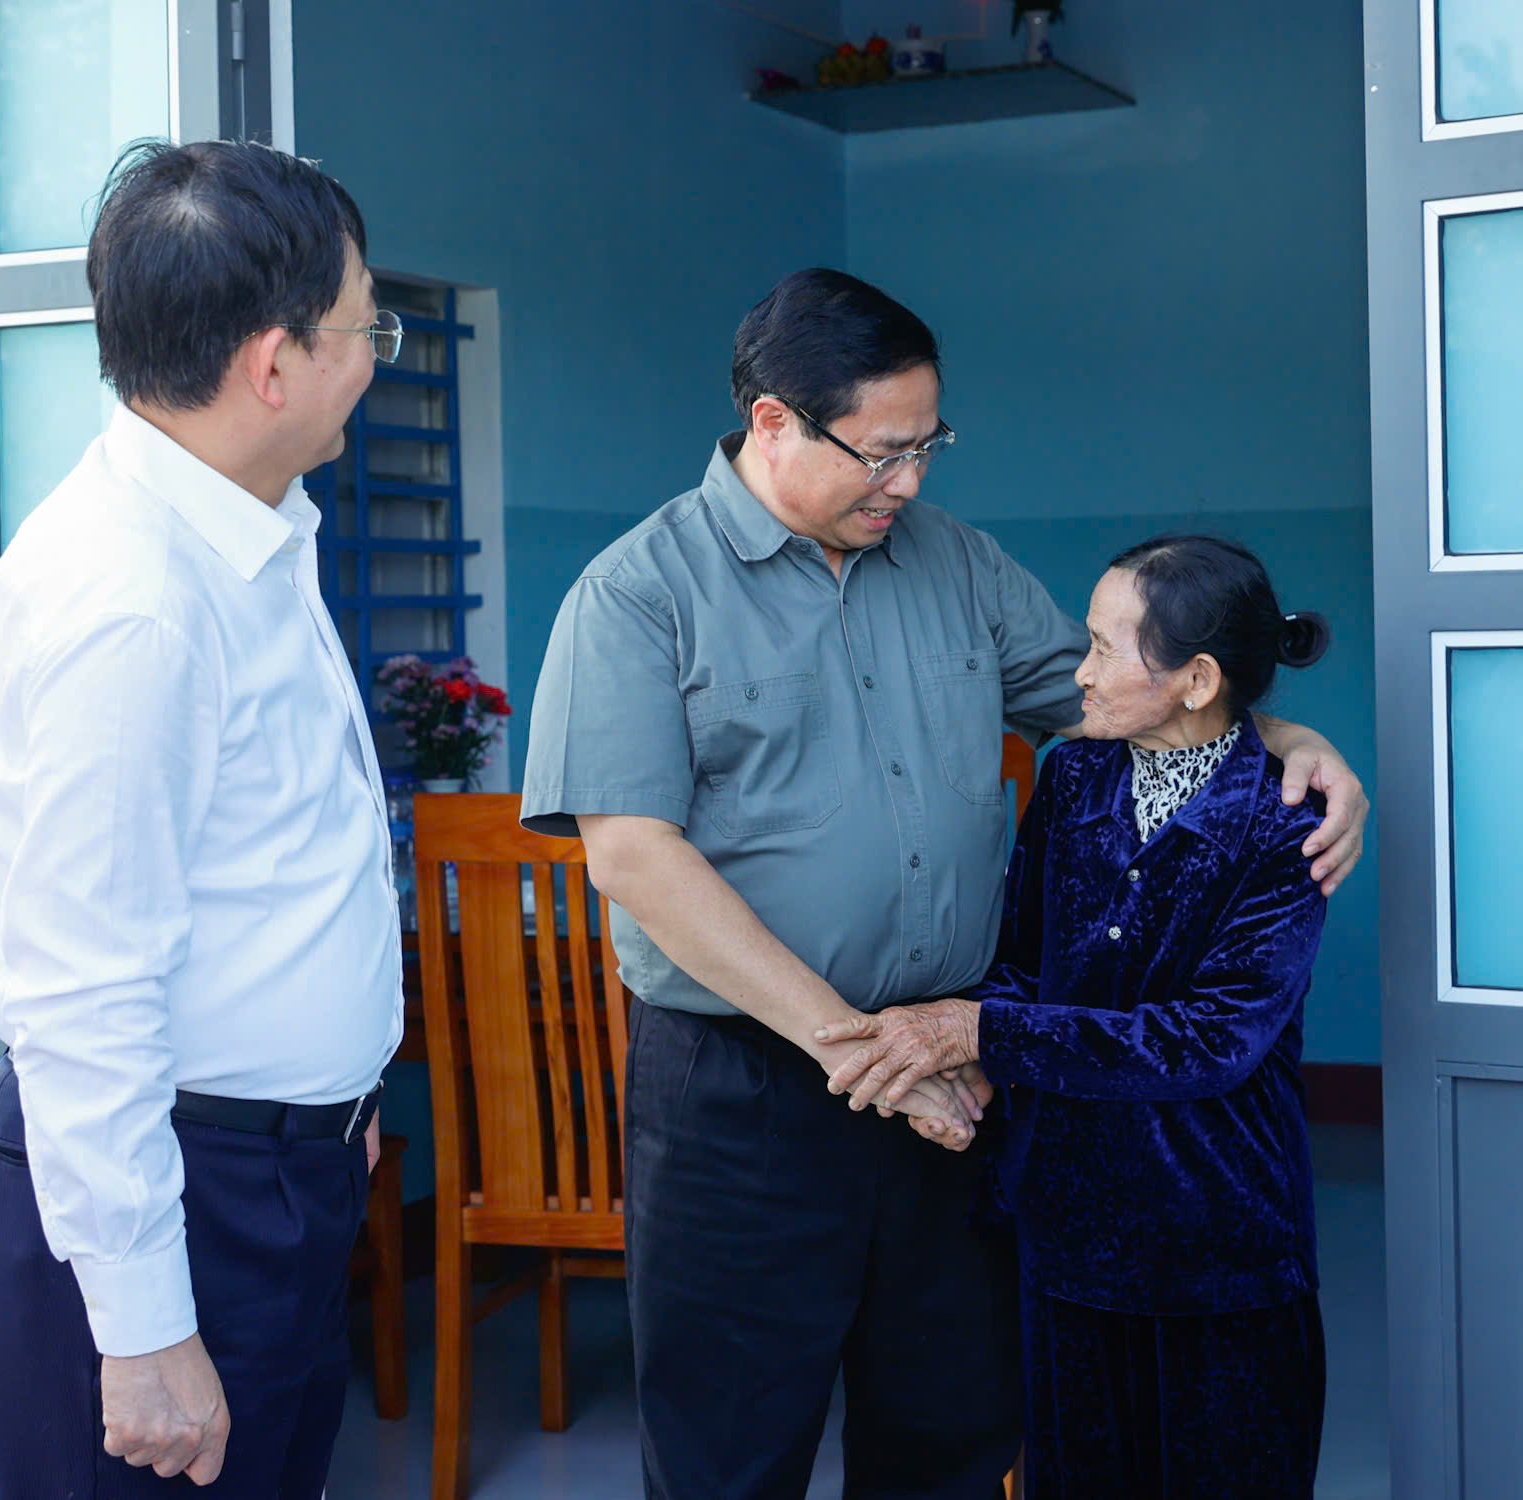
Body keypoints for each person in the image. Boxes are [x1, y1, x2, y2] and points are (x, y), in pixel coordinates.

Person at [520, 268, 1369, 1499]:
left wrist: (1283, 738)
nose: (909, 483)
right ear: (773, 421)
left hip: (962, 1077)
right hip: (748, 1088)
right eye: (881, 453)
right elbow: (633, 855)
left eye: (928, 447)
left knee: (953, 1432)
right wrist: (864, 1047)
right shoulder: (640, 592)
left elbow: (1112, 707)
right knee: (727, 1451)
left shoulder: (955, 566)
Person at [0, 140, 404, 1497]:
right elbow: (86, 985)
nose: (374, 352)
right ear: (275, 364)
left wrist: (334, 1100)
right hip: (165, 1197)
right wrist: (143, 1331)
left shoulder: (242, 532)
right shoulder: (134, 602)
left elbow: (264, 867)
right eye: (362, 324)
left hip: (263, 1173)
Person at [819, 535, 1337, 1497]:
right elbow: (1022, 962)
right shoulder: (1073, 777)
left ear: (1197, 679)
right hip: (1063, 1229)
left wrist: (978, 1033)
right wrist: (958, 1053)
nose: (1078, 672)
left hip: (1216, 1242)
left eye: (1104, 647)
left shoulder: (1286, 820)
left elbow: (1210, 1041)